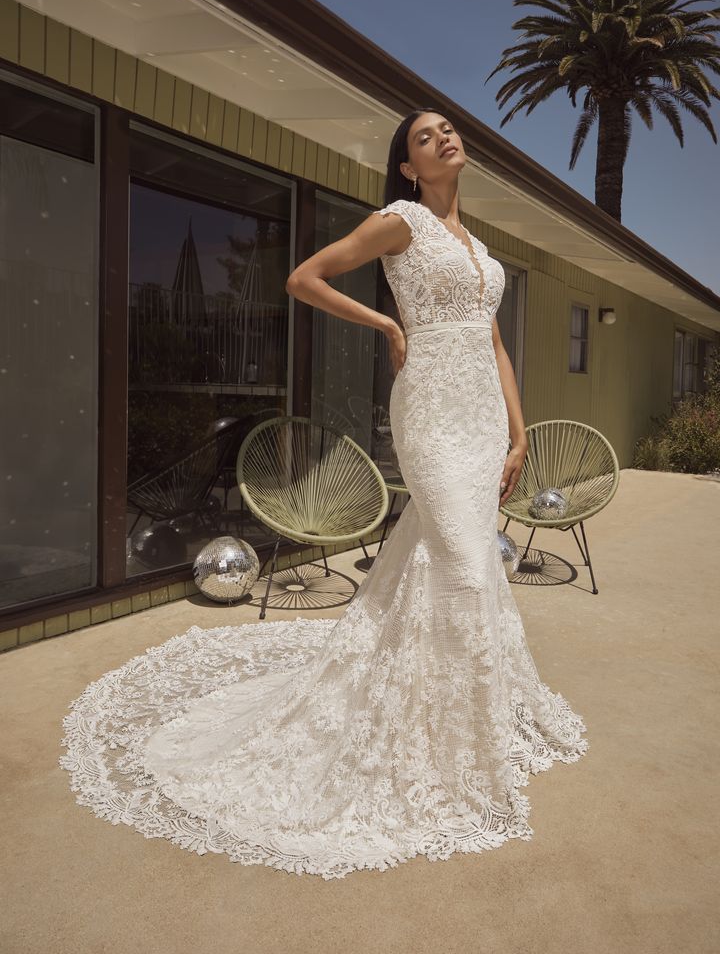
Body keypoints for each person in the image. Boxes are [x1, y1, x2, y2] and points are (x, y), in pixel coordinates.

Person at [59, 108, 589, 880]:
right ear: (407, 167)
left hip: (483, 422)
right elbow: (303, 278)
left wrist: (519, 434)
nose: (444, 138)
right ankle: (445, 744)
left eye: (447, 129)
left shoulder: (478, 247)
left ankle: (454, 714)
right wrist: (387, 325)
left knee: (455, 563)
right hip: (433, 413)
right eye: (425, 137)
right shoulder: (402, 220)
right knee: (466, 566)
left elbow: (497, 343)